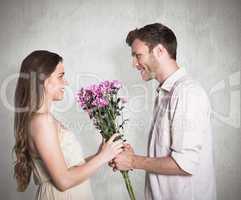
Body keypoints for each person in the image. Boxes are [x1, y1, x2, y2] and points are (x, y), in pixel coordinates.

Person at [110, 23, 216, 200]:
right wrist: (132, 156)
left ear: (160, 51)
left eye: (138, 55)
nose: (134, 63)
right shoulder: (166, 91)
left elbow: (185, 164)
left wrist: (133, 161)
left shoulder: (186, 93)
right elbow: (166, 153)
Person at [13, 50, 124, 199]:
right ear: (43, 80)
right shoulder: (41, 122)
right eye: (60, 76)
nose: (66, 82)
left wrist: (101, 154)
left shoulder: (44, 119)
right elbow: (63, 181)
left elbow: (69, 168)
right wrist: (103, 157)